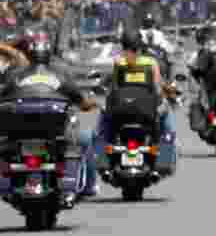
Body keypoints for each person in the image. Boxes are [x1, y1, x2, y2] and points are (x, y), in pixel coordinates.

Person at [0, 30, 98, 203]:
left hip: (20, 136)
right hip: (51, 136)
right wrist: (90, 104)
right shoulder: (60, 75)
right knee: (85, 138)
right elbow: (81, 101)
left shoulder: (14, 75)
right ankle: (88, 187)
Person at [97, 29, 178, 176]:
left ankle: (102, 157)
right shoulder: (151, 62)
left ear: (123, 45)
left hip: (120, 112)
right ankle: (165, 156)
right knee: (167, 127)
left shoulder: (118, 62)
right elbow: (157, 87)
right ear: (140, 45)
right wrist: (167, 98)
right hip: (146, 112)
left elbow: (114, 87)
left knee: (103, 126)